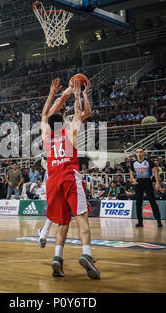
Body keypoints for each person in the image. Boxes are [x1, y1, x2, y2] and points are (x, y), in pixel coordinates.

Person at [40, 78, 100, 279]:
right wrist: (77, 93)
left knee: (62, 223)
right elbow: (77, 114)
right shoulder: (69, 132)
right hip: (69, 177)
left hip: (53, 181)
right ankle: (86, 254)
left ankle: (57, 257)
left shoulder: (46, 135)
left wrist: (51, 93)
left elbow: (43, 114)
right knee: (81, 218)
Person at [130, 149, 163, 228]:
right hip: (138, 183)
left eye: (141, 152)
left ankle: (158, 221)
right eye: (137, 152)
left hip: (147, 182)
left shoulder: (149, 162)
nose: (139, 153)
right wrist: (133, 179)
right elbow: (131, 173)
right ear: (136, 154)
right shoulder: (133, 163)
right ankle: (140, 222)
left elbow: (155, 172)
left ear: (143, 153)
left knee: (152, 201)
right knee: (138, 203)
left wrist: (158, 183)